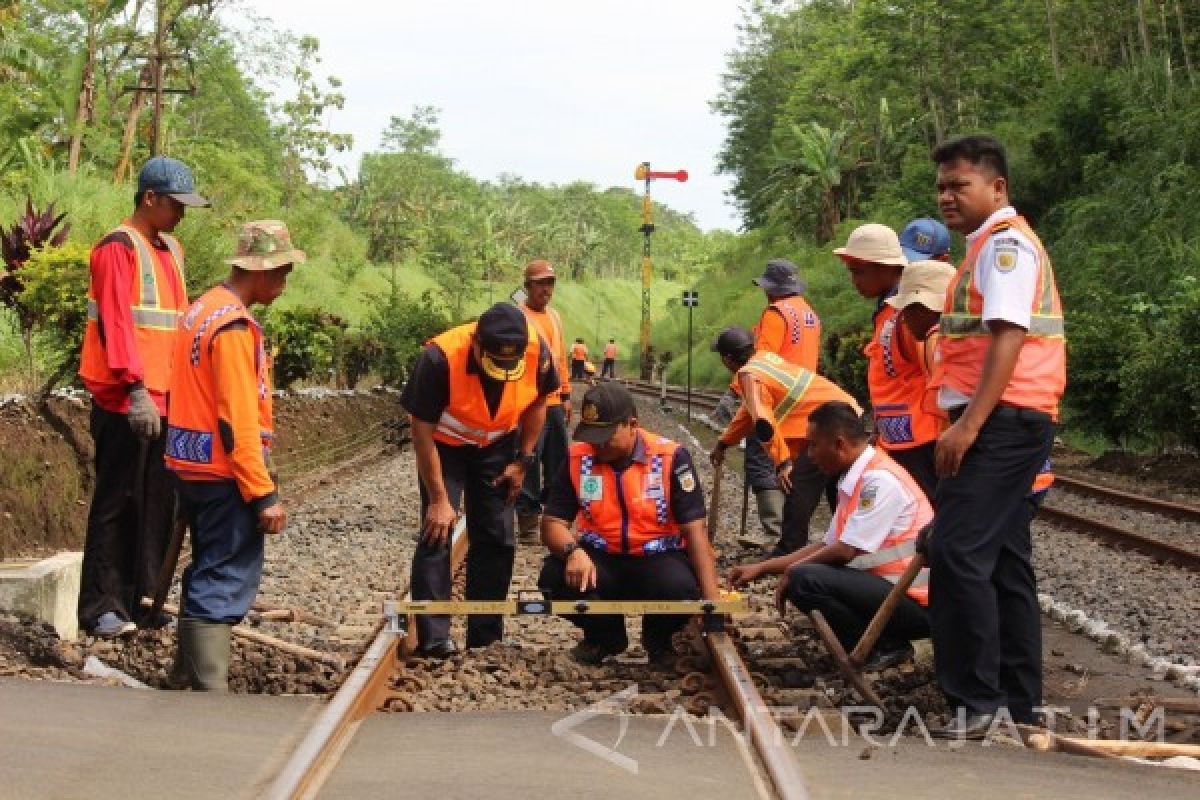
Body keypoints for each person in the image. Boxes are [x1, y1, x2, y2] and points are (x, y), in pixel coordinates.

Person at [926, 134, 1065, 738]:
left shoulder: (1005, 247)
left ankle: (975, 702)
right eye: (941, 187)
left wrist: (968, 425)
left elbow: (1007, 335)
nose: (947, 196)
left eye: (960, 185)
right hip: (1014, 416)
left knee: (956, 553)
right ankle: (1018, 701)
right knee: (1005, 559)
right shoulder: (985, 246)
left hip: (1002, 419)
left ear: (997, 187)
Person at [164, 220, 300, 690]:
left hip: (189, 464)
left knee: (206, 565)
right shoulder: (235, 326)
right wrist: (263, 492)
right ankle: (208, 692)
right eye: (282, 273)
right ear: (263, 271)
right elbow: (237, 418)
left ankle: (184, 678)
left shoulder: (200, 310)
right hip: (225, 472)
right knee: (224, 574)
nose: (284, 285)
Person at [77, 156, 209, 637]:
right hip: (126, 402)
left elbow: (175, 324)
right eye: (176, 205)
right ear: (149, 198)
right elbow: (116, 323)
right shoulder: (118, 247)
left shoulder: (170, 248)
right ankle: (102, 607)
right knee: (118, 502)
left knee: (158, 505)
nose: (182, 214)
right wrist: (135, 390)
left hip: (169, 400)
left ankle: (144, 601)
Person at [402, 303, 559, 656]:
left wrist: (523, 461)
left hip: (498, 444)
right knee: (437, 533)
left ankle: (485, 635)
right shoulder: (439, 358)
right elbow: (421, 433)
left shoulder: (537, 351)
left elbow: (538, 403)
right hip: (444, 445)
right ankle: (434, 637)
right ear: (476, 344)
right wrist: (440, 500)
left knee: (498, 536)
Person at [729, 401, 932, 670]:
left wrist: (792, 570)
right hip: (891, 592)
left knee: (805, 579)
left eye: (813, 445)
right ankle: (880, 642)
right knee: (803, 574)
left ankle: (886, 646)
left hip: (918, 603)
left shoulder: (879, 481)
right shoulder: (856, 477)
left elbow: (844, 551)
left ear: (839, 444)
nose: (809, 454)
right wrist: (763, 567)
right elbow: (826, 546)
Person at [538, 383, 720, 666]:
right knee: (554, 578)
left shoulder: (671, 458)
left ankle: (658, 640)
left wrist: (712, 604)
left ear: (631, 424)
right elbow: (551, 523)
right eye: (591, 436)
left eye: (605, 437)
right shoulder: (578, 457)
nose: (597, 445)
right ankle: (606, 638)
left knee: (682, 588)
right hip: (601, 559)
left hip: (658, 557)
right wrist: (573, 551)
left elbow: (695, 532)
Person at [709, 326, 861, 556]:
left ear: (728, 359)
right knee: (837, 488)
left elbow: (762, 423)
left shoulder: (749, 375)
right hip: (842, 415)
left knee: (798, 487)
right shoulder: (764, 360)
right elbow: (748, 414)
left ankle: (788, 551)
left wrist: (783, 463)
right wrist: (724, 443)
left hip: (829, 423)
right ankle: (848, 544)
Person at [834, 222, 948, 501]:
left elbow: (937, 371)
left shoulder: (910, 315)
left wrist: (947, 432)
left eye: (859, 271)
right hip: (900, 442)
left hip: (922, 444)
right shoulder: (889, 313)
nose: (854, 281)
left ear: (887, 268)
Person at [746, 258, 822, 549]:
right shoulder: (810, 315)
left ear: (770, 289)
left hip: (778, 400)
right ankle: (795, 538)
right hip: (807, 399)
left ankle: (776, 533)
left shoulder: (775, 314)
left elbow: (763, 362)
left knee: (760, 459)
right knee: (798, 469)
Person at [516, 260, 573, 544]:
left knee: (558, 460)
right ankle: (527, 521)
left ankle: (555, 519)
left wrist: (566, 395)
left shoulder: (554, 317)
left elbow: (561, 358)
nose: (546, 289)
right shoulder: (519, 316)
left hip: (553, 403)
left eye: (549, 283)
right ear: (527, 286)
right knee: (528, 457)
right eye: (540, 283)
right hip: (528, 403)